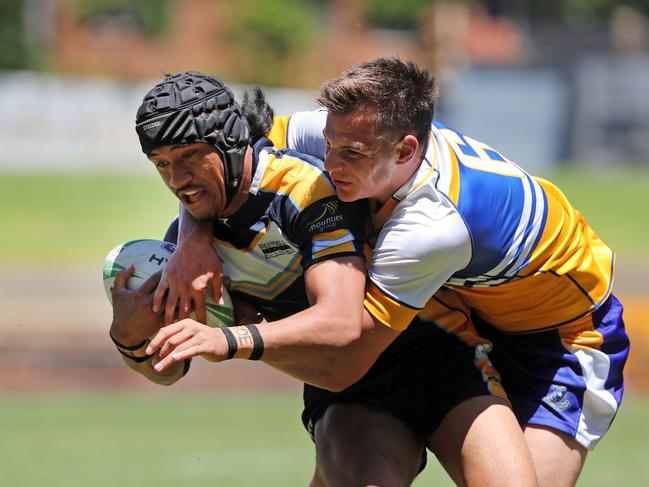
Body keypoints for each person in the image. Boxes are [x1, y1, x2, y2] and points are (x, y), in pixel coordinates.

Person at [153, 58, 629, 487]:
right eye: (330, 146)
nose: (330, 166)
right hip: (464, 304)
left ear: (405, 151)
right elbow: (233, 161)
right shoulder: (345, 131)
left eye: (352, 156)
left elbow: (347, 359)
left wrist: (233, 338)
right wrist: (193, 236)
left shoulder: (430, 226)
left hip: (561, 339)